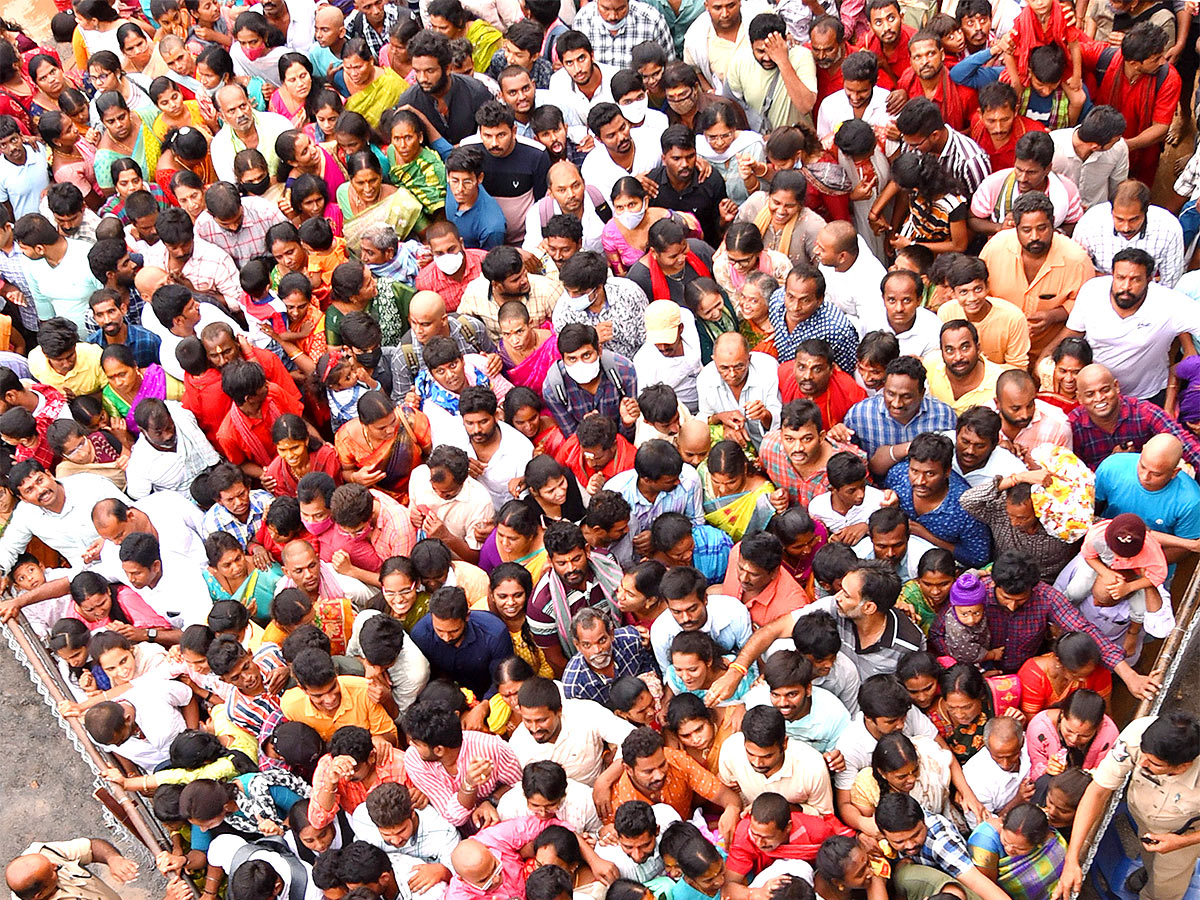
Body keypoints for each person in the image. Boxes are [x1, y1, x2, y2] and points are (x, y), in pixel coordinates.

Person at [1059, 713, 1200, 900]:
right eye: (1142, 754)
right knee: (1149, 858)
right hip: (1142, 819)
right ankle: (1150, 874)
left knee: (1166, 888)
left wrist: (1181, 842)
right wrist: (1071, 859)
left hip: (1182, 836)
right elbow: (1097, 792)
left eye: (1154, 764)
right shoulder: (1138, 733)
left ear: (1182, 767)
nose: (1141, 763)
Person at [979, 192, 1096, 360]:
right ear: (1016, 227)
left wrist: (1054, 316)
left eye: (1042, 228)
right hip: (998, 353)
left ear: (1053, 223)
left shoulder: (1077, 261)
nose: (1035, 237)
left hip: (1050, 354)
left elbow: (1084, 309)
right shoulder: (996, 247)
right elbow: (979, 293)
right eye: (1026, 230)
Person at [1072, 179, 1185, 289]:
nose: (1126, 228)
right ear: (1111, 211)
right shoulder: (1090, 223)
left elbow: (1170, 283)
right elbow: (1076, 270)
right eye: (1119, 219)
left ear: (1146, 211)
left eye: (1133, 219)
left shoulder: (1169, 228)